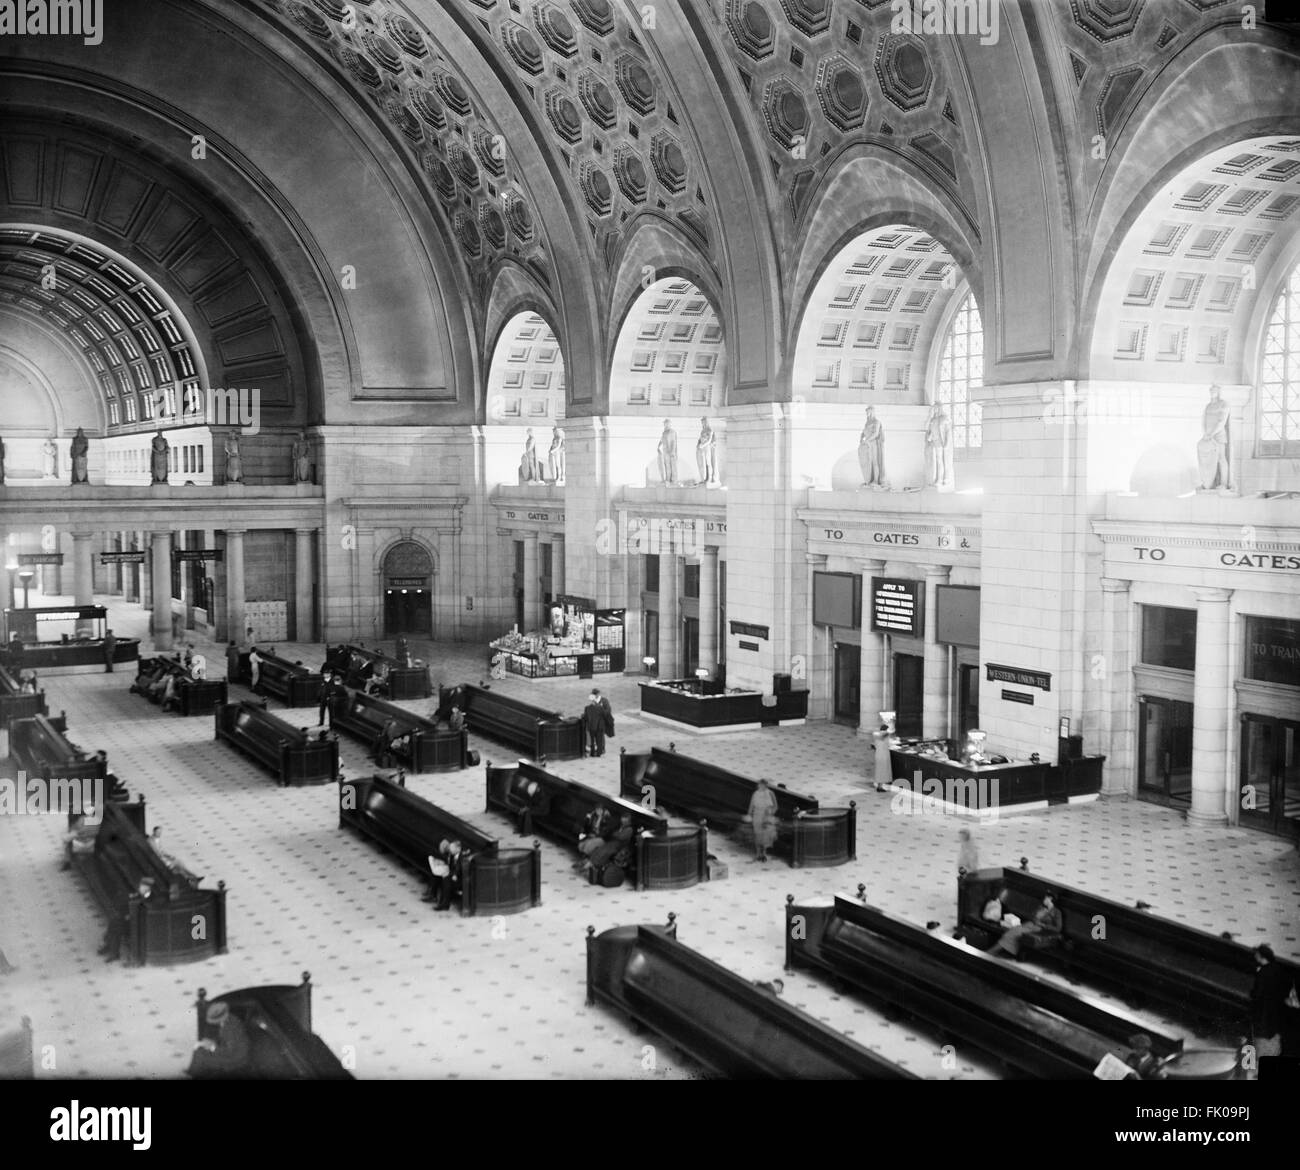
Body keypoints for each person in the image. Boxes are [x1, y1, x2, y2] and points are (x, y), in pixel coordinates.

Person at [1249, 944, 1296, 1059]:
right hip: (1277, 1013)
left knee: (1259, 1043)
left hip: (1264, 1013)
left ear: (1260, 956)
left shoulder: (1262, 972)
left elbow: (1256, 994)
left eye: (1256, 955)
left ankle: (1253, 1066)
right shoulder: (1278, 968)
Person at [186, 1001, 252, 1078]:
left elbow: (230, 1051)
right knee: (200, 1050)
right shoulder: (229, 1020)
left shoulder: (231, 1028)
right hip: (234, 1053)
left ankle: (192, 1074)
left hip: (236, 1059)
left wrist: (213, 1047)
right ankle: (192, 1072)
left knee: (200, 1055)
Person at [988, 891, 1061, 959]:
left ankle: (992, 951)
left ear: (1050, 899)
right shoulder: (1041, 907)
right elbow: (1031, 916)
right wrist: (1035, 918)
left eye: (1045, 898)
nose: (1044, 900)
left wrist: (1043, 925)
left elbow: (1058, 928)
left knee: (1014, 932)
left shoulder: (1056, 912)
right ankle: (995, 952)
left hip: (1038, 930)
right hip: (1029, 925)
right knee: (1013, 930)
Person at [100, 876, 156, 962]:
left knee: (116, 926)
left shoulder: (148, 897)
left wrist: (129, 915)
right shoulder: (141, 894)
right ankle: (110, 946)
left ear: (147, 888)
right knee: (114, 921)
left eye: (143, 886)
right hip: (132, 918)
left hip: (139, 923)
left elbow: (142, 909)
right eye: (141, 886)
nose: (140, 888)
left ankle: (114, 953)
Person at [1197, 383, 1231, 491]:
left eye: (1214, 390)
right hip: (1207, 436)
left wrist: (1212, 434)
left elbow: (1221, 421)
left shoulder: (1223, 404)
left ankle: (1224, 483)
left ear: (1219, 391)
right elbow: (1203, 421)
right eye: (1211, 390)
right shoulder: (1208, 406)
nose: (1212, 392)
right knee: (1210, 460)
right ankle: (1210, 483)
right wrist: (1205, 434)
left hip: (1219, 436)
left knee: (1221, 458)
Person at [422, 839, 464, 911]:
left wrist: (453, 875)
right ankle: (433, 895)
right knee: (435, 875)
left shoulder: (462, 857)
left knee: (446, 881)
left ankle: (444, 904)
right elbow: (450, 864)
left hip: (459, 879)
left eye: (452, 849)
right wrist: (441, 863)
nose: (450, 851)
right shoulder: (452, 854)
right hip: (452, 873)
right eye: (450, 849)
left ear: (458, 849)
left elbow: (459, 869)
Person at [746, 778, 779, 863]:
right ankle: (757, 854)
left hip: (766, 816)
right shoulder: (755, 794)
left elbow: (775, 806)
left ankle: (763, 854)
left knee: (765, 836)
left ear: (765, 785)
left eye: (762, 785)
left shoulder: (771, 793)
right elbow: (751, 806)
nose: (760, 786)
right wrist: (749, 815)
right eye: (759, 785)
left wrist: (770, 813)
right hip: (757, 816)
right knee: (757, 835)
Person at [857, 406, 887, 488]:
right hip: (867, 445)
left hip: (874, 444)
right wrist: (861, 437)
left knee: (875, 462)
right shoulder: (867, 423)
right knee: (868, 462)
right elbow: (863, 432)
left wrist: (867, 440)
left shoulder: (877, 422)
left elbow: (876, 433)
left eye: (868, 412)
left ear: (872, 412)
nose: (867, 414)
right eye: (866, 412)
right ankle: (869, 479)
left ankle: (876, 480)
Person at [925, 401, 951, 486]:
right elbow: (929, 429)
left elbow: (948, 431)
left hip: (941, 442)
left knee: (941, 461)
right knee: (936, 461)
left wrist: (947, 442)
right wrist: (930, 416)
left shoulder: (944, 418)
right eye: (934, 408)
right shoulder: (933, 419)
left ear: (939, 408)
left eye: (936, 408)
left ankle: (942, 479)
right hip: (934, 442)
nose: (934, 409)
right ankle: (936, 479)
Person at [583, 691, 607, 758]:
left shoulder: (587, 708)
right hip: (599, 727)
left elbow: (585, 717)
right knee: (599, 740)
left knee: (592, 741)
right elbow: (604, 716)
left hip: (591, 727)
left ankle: (592, 753)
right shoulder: (600, 708)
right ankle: (599, 753)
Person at [695, 417, 717, 484]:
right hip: (702, 448)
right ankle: (705, 478)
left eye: (704, 422)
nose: (703, 423)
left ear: (706, 422)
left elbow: (709, 440)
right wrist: (698, 444)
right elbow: (700, 439)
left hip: (707, 447)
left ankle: (710, 477)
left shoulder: (709, 429)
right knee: (704, 463)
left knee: (708, 462)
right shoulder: (702, 430)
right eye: (702, 422)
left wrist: (702, 445)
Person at [657, 419, 677, 485]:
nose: (665, 425)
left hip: (671, 452)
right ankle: (668, 479)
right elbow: (661, 439)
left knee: (672, 466)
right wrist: (658, 446)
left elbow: (674, 442)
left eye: (666, 423)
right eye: (664, 424)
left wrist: (672, 451)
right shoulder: (664, 432)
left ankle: (673, 480)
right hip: (665, 451)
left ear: (669, 424)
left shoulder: (672, 432)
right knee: (667, 466)